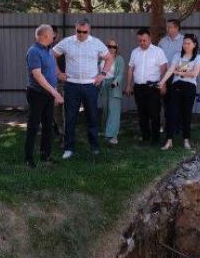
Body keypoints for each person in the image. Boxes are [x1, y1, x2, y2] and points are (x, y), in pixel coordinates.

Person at [51, 18, 113, 159]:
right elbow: (51, 54)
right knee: (70, 118)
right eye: (78, 31)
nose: (81, 34)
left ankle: (94, 146)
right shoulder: (67, 42)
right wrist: (59, 73)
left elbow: (109, 58)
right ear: (75, 29)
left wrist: (102, 74)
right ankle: (68, 148)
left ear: (89, 30)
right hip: (71, 86)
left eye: (84, 32)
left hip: (90, 86)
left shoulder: (96, 43)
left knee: (91, 117)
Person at [25, 25, 65, 168]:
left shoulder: (48, 51)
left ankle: (45, 155)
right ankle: (29, 158)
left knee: (48, 126)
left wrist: (53, 92)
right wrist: (55, 92)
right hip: (36, 94)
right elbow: (38, 75)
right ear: (45, 36)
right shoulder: (34, 51)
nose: (54, 37)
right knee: (33, 126)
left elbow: (51, 74)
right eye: (52, 34)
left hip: (48, 94)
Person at [158, 33, 200, 150]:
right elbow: (170, 70)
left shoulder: (197, 57)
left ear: (194, 45)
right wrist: (162, 82)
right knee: (172, 113)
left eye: (188, 44)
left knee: (186, 114)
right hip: (176, 86)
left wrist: (178, 72)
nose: (186, 46)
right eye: (184, 43)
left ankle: (186, 140)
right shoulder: (178, 55)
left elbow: (194, 74)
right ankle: (169, 141)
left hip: (190, 87)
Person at [124, 28, 168, 144]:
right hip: (139, 88)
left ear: (150, 38)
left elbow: (164, 69)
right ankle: (145, 137)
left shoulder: (158, 51)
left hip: (153, 87)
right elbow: (130, 70)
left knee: (154, 113)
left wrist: (163, 85)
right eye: (140, 41)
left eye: (144, 40)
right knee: (142, 113)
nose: (142, 43)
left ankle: (155, 139)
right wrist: (128, 85)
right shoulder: (135, 52)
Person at [158, 19, 184, 137]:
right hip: (165, 75)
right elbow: (158, 58)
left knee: (178, 102)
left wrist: (181, 72)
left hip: (179, 76)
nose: (169, 29)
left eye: (171, 27)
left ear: (177, 28)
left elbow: (189, 57)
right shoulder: (162, 41)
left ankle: (178, 127)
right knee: (166, 102)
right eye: (167, 27)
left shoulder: (184, 41)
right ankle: (168, 126)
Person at [100, 39, 125, 144]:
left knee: (113, 110)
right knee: (105, 110)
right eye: (110, 46)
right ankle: (106, 131)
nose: (112, 49)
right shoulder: (101, 58)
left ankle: (113, 135)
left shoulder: (119, 59)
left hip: (114, 85)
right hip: (103, 85)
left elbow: (120, 74)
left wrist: (115, 83)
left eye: (114, 47)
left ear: (117, 48)